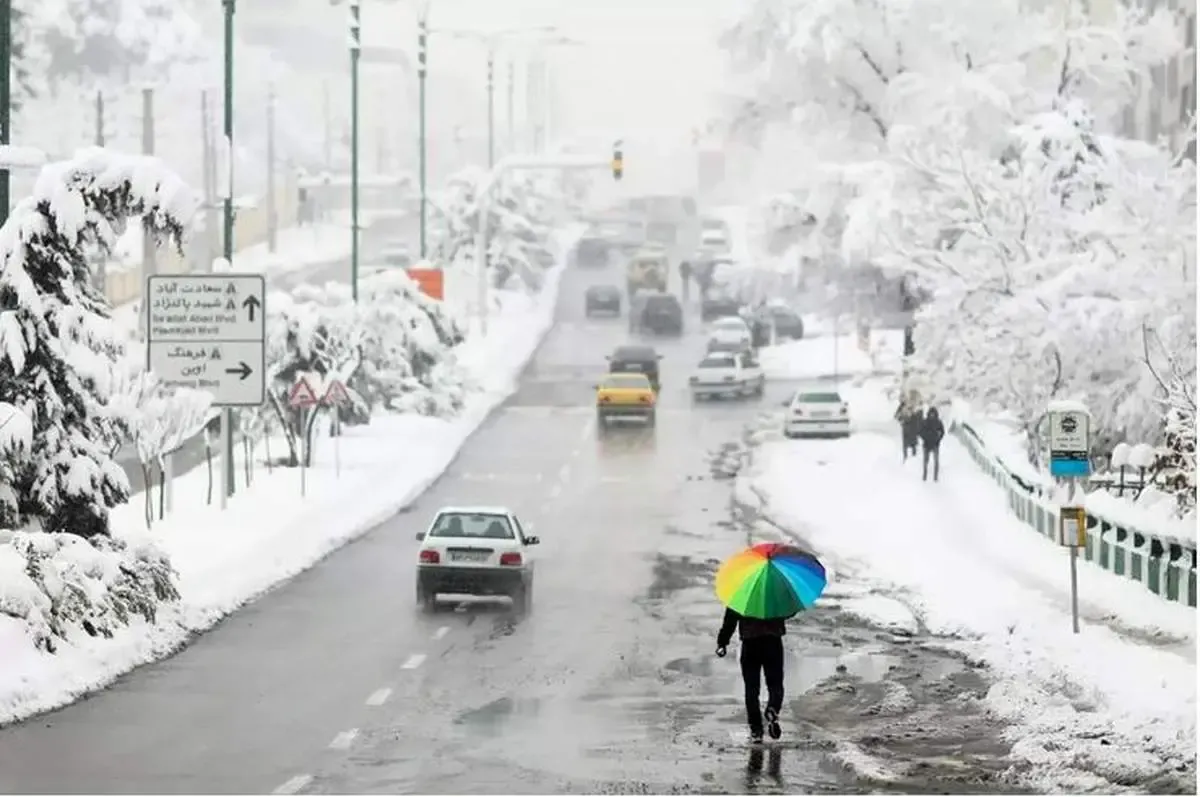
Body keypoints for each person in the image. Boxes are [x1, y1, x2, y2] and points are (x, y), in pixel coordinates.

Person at [716, 606, 786, 743]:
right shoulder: (776, 596)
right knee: (775, 684)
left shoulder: (742, 596)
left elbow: (730, 618)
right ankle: (773, 709)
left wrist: (722, 642)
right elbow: (788, 611)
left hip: (750, 643)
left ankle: (756, 729)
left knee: (751, 688)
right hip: (773, 642)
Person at [920, 406, 945, 481]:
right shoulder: (925, 422)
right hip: (926, 444)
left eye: (933, 414)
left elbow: (942, 432)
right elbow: (920, 431)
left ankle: (935, 477)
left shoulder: (938, 422)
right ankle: (924, 476)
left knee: (936, 461)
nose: (932, 415)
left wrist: (938, 439)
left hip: (935, 444)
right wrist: (925, 437)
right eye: (931, 413)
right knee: (925, 462)